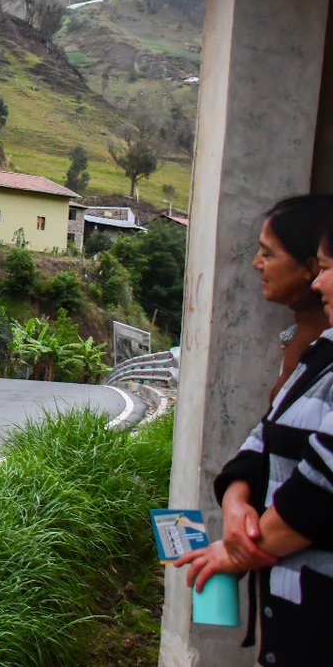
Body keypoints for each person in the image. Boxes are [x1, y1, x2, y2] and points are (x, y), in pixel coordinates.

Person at [177, 206, 333, 666]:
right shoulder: (320, 351)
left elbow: (319, 492)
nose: (320, 283)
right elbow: (263, 437)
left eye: (326, 268)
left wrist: (237, 551)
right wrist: (235, 503)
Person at [252, 195, 333, 399]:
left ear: (311, 267)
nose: (256, 263)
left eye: (267, 254)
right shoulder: (304, 332)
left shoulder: (318, 343)